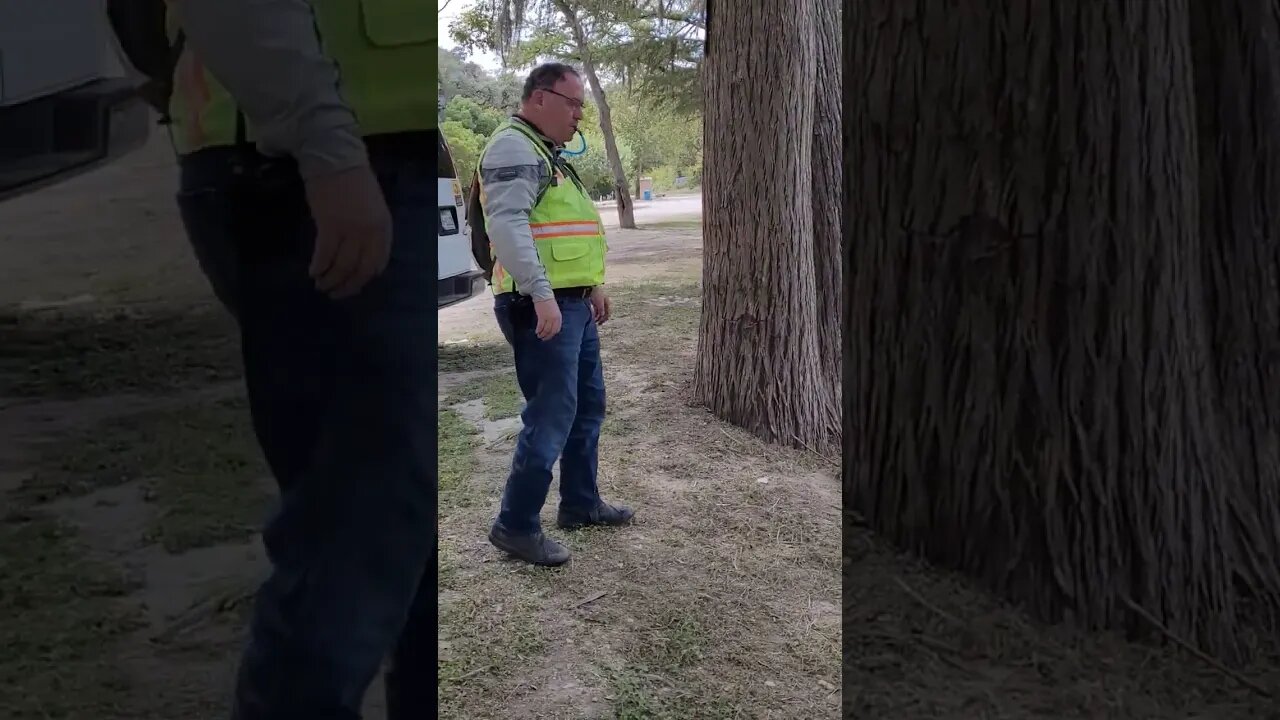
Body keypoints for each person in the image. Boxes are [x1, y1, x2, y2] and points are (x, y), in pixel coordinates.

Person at [160, 2, 435, 718]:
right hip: (316, 160)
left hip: (370, 152)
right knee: (359, 530)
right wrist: (326, 145)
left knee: (408, 527)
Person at [476, 62, 636, 567]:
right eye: (573, 103)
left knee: (587, 406)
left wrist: (593, 286)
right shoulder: (513, 147)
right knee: (550, 416)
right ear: (540, 98)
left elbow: (565, 228)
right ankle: (516, 525)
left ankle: (581, 503)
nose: (578, 115)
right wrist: (542, 293)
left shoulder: (548, 152)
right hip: (538, 305)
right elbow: (507, 226)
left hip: (573, 302)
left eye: (582, 106)